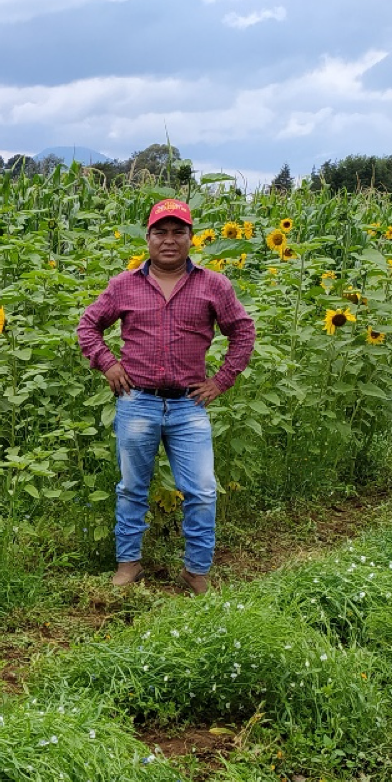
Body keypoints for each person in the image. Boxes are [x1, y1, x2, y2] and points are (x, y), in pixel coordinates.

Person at [76, 198, 255, 594]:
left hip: (188, 404)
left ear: (191, 238)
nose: (169, 240)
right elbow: (88, 326)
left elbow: (243, 330)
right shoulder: (124, 285)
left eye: (179, 232)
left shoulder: (213, 285)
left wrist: (221, 381)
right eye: (161, 232)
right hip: (137, 400)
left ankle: (196, 572)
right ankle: (128, 565)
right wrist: (107, 363)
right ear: (148, 237)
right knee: (131, 488)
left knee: (203, 490)